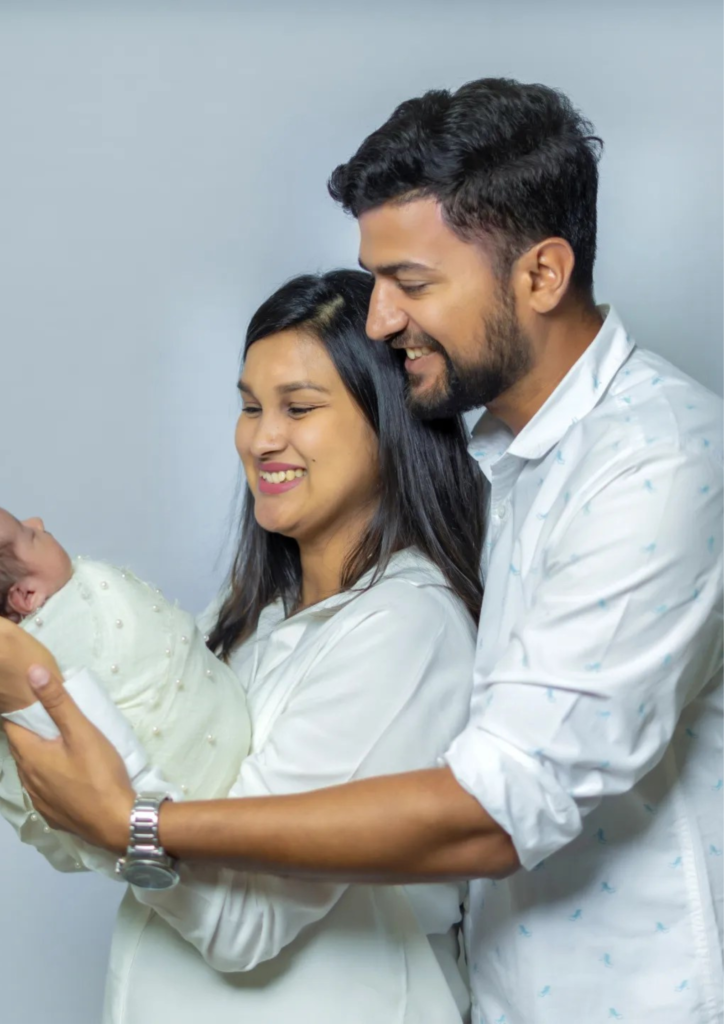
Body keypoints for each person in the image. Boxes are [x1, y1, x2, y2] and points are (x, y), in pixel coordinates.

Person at [3, 77, 723, 1024]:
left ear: (542, 275)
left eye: (412, 284)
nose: (381, 319)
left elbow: (508, 801)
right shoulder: (500, 465)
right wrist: (70, 611)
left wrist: (141, 825)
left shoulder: (657, 461)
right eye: (376, 280)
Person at [0, 268, 486, 1024]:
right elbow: (100, 815)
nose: (261, 437)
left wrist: (29, 696)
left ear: (388, 419)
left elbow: (244, 923)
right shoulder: (251, 614)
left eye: (298, 407)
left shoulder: (406, 631)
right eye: (250, 406)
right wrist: (53, 613)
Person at [0, 507, 251, 870]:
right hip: (177, 806)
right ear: (27, 595)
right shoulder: (52, 653)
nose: (38, 521)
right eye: (30, 536)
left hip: (198, 809)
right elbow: (103, 751)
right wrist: (134, 814)